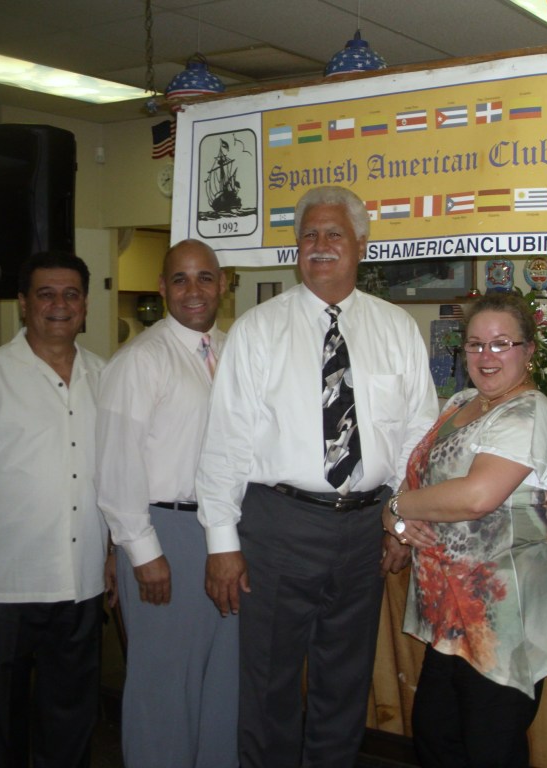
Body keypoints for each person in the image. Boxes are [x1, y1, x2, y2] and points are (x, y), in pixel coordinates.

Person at [196, 185, 439, 767]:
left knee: (344, 685)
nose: (320, 246)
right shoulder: (258, 330)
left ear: (361, 244)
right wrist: (221, 544)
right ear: (296, 250)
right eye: (309, 236)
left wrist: (400, 522)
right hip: (279, 527)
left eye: (334, 234)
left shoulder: (396, 328)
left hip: (365, 530)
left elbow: (418, 435)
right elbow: (226, 441)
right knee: (270, 688)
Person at [383, 293, 547, 767]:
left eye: (502, 344)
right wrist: (396, 515)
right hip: (448, 618)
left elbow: (476, 496)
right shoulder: (464, 401)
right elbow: (417, 476)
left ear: (529, 351)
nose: (486, 356)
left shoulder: (528, 415)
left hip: (503, 624)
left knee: (489, 751)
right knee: (437, 741)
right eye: (475, 344)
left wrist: (398, 506)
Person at [95, 239, 237, 768]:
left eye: (205, 277)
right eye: (180, 279)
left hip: (227, 534)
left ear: (223, 284)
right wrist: (142, 552)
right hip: (166, 536)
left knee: (222, 685)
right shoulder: (141, 360)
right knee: (164, 688)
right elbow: (115, 466)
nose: (193, 290)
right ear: (162, 288)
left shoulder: (234, 350)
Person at [0, 251, 108, 767]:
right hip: (5, 582)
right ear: (23, 305)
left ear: (84, 305)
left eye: (71, 294)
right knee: (0, 723)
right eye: (45, 294)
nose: (59, 304)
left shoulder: (108, 377)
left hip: (82, 583)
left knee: (73, 718)